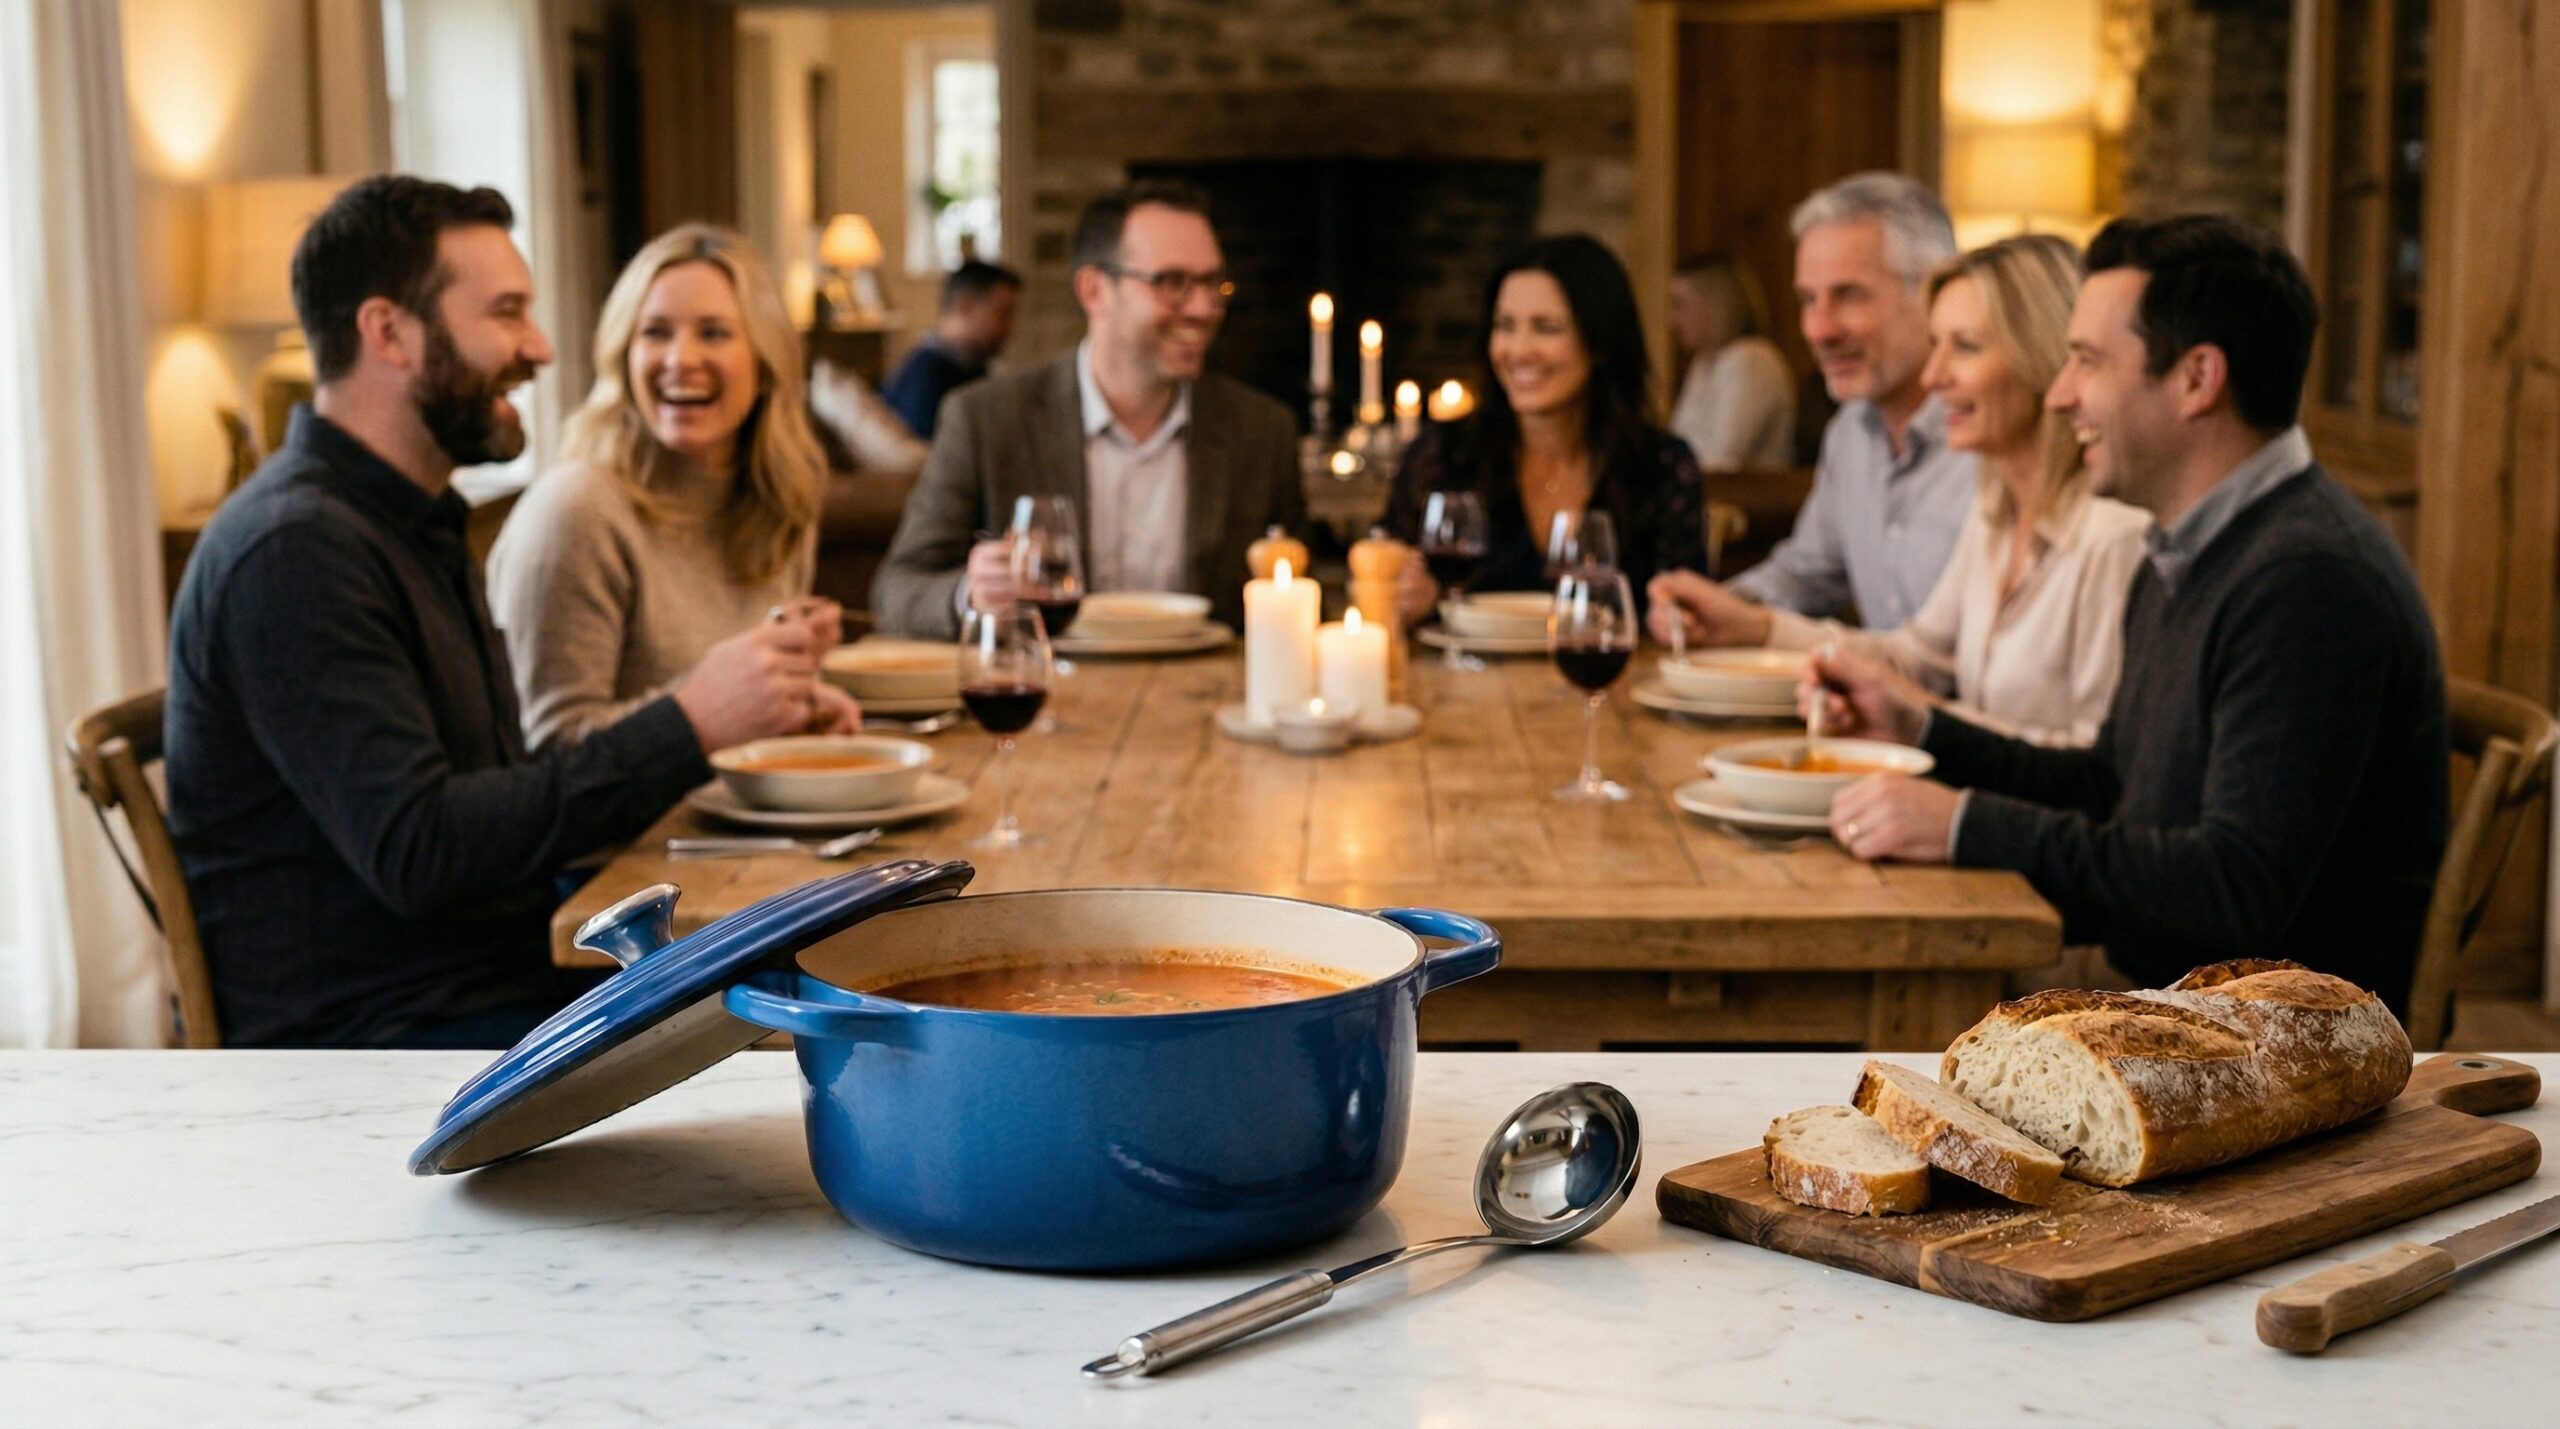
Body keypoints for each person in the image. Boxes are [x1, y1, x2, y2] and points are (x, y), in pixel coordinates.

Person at [164, 177, 841, 1050]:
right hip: (383, 1040)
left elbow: (506, 789)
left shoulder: (410, 521)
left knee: (835, 973)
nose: (542, 346)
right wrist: (692, 720)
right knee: (810, 1027)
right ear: (389, 333)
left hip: (495, 975)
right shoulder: (296, 551)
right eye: (508, 313)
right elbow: (423, 849)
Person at [1812, 215, 2449, 1015]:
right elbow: (2111, 781)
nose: (2059, 393)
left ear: (2196, 379)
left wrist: (1967, 826)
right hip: (2173, 1004)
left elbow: (2232, 890)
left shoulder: (2307, 581)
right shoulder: (2185, 547)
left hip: (2264, 1049)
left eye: (2087, 361)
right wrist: (1923, 733)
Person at [1652, 236, 2150, 747]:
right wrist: (1756, 628)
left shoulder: (2114, 534)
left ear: (2043, 358)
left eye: (1966, 347)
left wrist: (1921, 719)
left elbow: (2099, 767)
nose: (1933, 377)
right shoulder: (1995, 508)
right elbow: (1917, 659)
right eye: (1936, 346)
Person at [871, 181, 1302, 637]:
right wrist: (969, 593)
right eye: (1172, 283)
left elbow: (1297, 587)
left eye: (1213, 283)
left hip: (1202, 698)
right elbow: (898, 589)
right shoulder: (986, 420)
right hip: (1047, 695)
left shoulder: (1262, 431)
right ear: (1094, 290)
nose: (1204, 308)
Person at [486, 223, 857, 751]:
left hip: (735, 823)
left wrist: (797, 706)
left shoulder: (782, 500)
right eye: (655, 332)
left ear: (765, 361)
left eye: (713, 332)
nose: (680, 359)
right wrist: (718, 701)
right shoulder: (576, 510)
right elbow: (548, 754)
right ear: (623, 355)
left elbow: (728, 723)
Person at [1673, 173, 1974, 633]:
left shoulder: (1992, 436)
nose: (1819, 330)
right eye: (1808, 300)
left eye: (1849, 295)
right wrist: (1710, 607)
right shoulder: (1851, 431)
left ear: (1935, 292)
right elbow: (1806, 576)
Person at [1383, 234, 1707, 620]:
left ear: (1600, 343)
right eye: (1505, 325)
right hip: (1464, 680)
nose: (1518, 351)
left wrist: (1675, 616)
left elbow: (1688, 611)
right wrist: (1399, 594)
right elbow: (1381, 576)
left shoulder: (1661, 466)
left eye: (1546, 328)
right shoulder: (1443, 455)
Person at [1665, 252, 1795, 473]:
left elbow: (1721, 463)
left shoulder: (1752, 359)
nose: (1672, 321)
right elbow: (1677, 447)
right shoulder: (1703, 363)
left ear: (1715, 303)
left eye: (1680, 305)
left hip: (1753, 504)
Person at [880, 259, 1021, 439]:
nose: (1011, 329)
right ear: (964, 307)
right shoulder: (925, 377)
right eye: (1003, 314)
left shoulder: (971, 367)